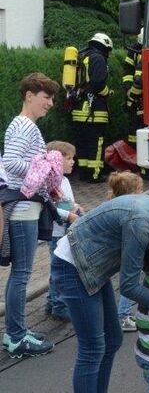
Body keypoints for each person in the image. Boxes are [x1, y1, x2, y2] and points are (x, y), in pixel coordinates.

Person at [53, 185, 149, 392]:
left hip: (92, 267)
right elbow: (129, 286)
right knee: (93, 348)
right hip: (72, 266)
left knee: (113, 340)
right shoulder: (142, 223)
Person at [1, 72, 62, 358]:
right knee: (22, 274)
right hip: (22, 209)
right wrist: (44, 168)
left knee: (20, 274)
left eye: (51, 98)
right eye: (46, 97)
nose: (50, 103)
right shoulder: (25, 125)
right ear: (29, 95)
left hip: (23, 208)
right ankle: (15, 337)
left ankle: (17, 331)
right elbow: (11, 162)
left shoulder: (22, 125)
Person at [45, 140, 81, 322]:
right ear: (57, 161)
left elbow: (66, 201)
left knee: (57, 268)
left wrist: (76, 207)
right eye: (69, 158)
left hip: (64, 230)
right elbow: (51, 207)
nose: (73, 162)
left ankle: (52, 301)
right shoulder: (51, 183)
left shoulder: (64, 180)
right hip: (56, 232)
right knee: (61, 269)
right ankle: (59, 305)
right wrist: (69, 216)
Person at [71, 32, 113, 182]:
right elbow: (98, 84)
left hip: (78, 109)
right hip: (94, 110)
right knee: (97, 143)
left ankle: (84, 174)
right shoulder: (98, 58)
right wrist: (108, 93)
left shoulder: (81, 56)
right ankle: (95, 175)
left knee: (82, 142)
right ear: (105, 46)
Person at [106, 171, 145, 332]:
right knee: (130, 283)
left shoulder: (113, 204)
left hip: (117, 250)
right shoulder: (130, 209)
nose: (142, 193)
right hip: (126, 252)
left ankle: (119, 315)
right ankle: (123, 315)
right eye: (140, 190)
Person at [122, 29, 149, 180]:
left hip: (143, 98)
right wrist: (128, 89)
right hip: (139, 98)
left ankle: (144, 170)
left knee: (141, 133)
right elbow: (128, 73)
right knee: (138, 134)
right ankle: (142, 170)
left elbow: (139, 79)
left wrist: (131, 97)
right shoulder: (134, 50)